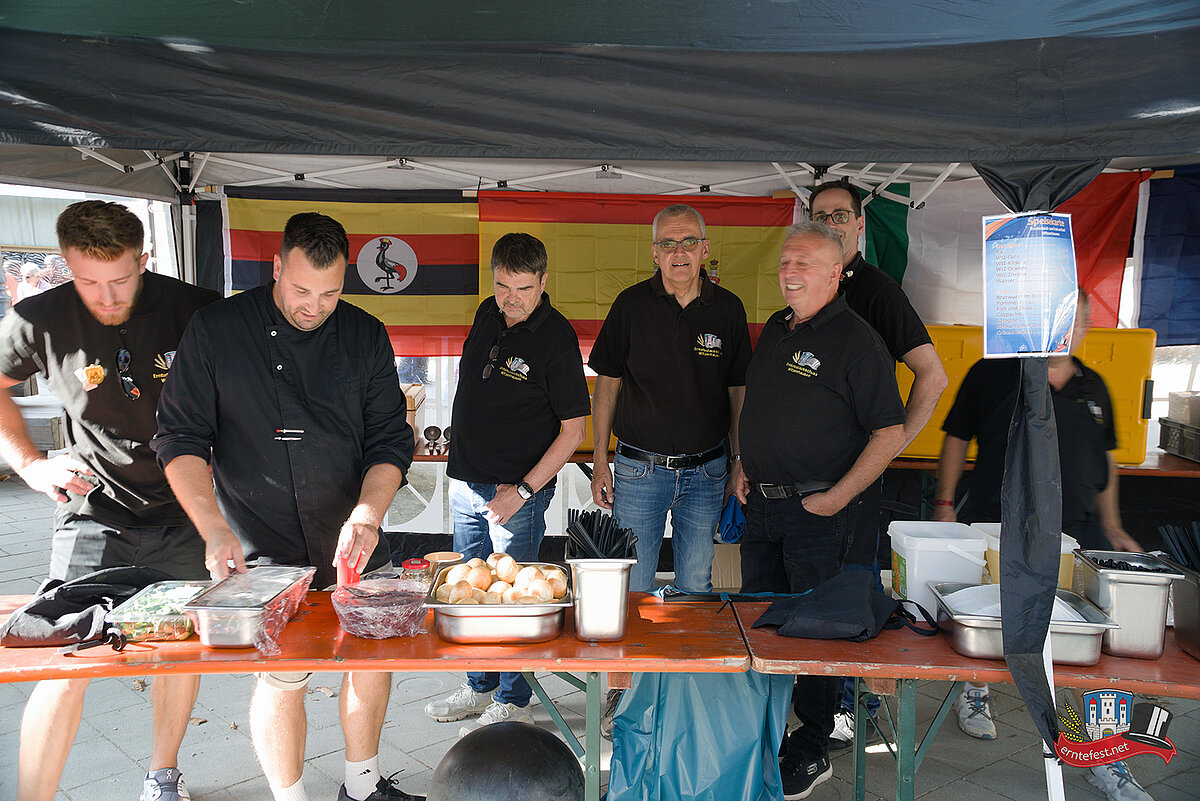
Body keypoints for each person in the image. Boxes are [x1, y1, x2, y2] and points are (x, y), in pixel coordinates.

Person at [151, 212, 418, 801]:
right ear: (276, 267)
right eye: (301, 291)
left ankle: (363, 786)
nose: (313, 307)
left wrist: (368, 514)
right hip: (260, 535)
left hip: (353, 533)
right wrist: (212, 527)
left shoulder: (365, 334)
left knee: (369, 661)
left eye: (330, 294)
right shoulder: (217, 329)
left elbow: (389, 441)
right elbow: (180, 438)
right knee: (282, 674)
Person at [0, 200, 219, 801]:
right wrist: (30, 464)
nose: (105, 296)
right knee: (61, 659)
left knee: (179, 649)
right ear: (66, 265)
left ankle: (163, 775)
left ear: (143, 261)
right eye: (87, 281)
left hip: (186, 511)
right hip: (91, 511)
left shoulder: (197, 310)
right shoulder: (40, 317)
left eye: (120, 279)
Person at [932, 291, 1151, 801]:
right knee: (993, 619)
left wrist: (1113, 525)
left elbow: (1107, 461)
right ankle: (976, 692)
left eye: (1079, 321)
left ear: (1087, 327)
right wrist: (944, 503)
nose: (1069, 330)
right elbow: (955, 438)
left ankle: (1104, 755)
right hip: (998, 525)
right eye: (1061, 319)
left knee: (1092, 655)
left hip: (1077, 534)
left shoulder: (1093, 386)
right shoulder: (992, 372)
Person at [736, 222, 906, 799]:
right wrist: (744, 463)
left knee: (814, 635)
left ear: (835, 273)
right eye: (785, 261)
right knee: (763, 627)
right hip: (763, 508)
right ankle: (764, 735)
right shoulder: (777, 328)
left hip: (818, 515)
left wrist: (837, 497)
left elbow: (890, 431)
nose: (789, 272)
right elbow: (761, 406)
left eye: (803, 263)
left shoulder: (857, 340)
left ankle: (810, 748)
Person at [424, 233, 589, 733]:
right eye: (502, 286)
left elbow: (574, 431)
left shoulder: (556, 337)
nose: (511, 299)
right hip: (466, 484)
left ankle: (514, 699)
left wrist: (521, 492)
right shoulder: (486, 313)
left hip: (516, 496)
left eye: (523, 288)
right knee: (466, 592)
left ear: (544, 281)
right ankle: (479, 685)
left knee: (516, 600)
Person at [808, 179, 950, 749]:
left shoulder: (878, 291)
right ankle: (824, 698)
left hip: (856, 472)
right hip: (811, 473)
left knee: (851, 582)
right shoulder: (810, 285)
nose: (831, 225)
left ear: (861, 224)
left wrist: (894, 443)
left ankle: (848, 704)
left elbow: (932, 375)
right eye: (820, 216)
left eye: (840, 216)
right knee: (819, 585)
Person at [589, 203, 751, 594]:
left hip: (707, 473)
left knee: (695, 587)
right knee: (633, 587)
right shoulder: (630, 305)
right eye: (668, 243)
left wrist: (738, 461)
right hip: (638, 471)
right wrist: (599, 458)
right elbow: (607, 383)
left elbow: (738, 391)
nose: (679, 252)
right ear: (655, 253)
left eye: (689, 242)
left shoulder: (728, 309)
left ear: (705, 249)